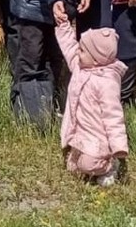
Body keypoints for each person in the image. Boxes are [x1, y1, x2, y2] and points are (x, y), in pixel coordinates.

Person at [54, 24, 128, 186]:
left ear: (96, 59)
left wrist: (119, 146)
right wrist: (63, 26)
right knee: (73, 168)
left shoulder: (107, 83)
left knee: (88, 165)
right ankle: (87, 159)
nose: (77, 53)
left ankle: (110, 165)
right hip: (80, 130)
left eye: (82, 51)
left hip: (97, 136)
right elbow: (69, 47)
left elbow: (114, 116)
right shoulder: (81, 67)